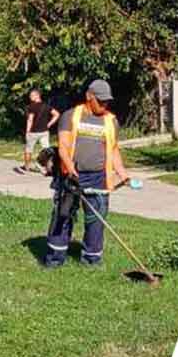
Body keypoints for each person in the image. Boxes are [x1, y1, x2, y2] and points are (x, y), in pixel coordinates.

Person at [44, 79, 131, 268]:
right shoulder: (70, 116)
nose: (104, 104)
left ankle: (92, 260)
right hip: (72, 175)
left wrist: (122, 173)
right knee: (63, 214)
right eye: (100, 100)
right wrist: (69, 167)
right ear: (89, 96)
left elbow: (114, 149)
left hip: (99, 177)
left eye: (107, 101)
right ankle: (55, 258)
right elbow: (64, 146)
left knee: (96, 219)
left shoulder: (111, 120)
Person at [19, 89, 59, 174]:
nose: (30, 97)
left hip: (33, 132)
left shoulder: (31, 107)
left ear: (37, 95)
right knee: (47, 150)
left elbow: (30, 120)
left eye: (32, 95)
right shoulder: (47, 106)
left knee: (28, 150)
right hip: (44, 132)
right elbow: (56, 114)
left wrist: (27, 132)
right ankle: (47, 167)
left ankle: (26, 167)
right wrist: (49, 124)